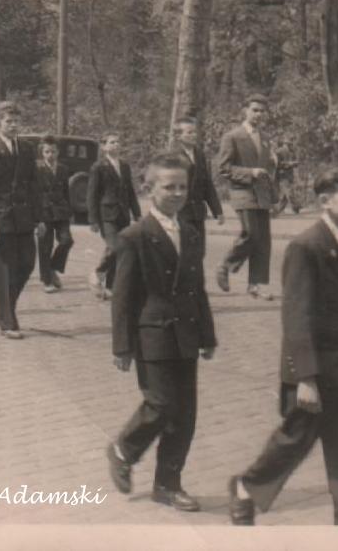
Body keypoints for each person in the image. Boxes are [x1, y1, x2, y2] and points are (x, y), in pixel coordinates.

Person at [228, 164, 338, 526]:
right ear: (326, 201)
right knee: (293, 441)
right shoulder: (305, 247)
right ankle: (247, 488)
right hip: (316, 373)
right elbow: (297, 318)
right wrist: (306, 379)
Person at [107, 153, 216, 513]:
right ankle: (124, 448)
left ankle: (168, 484)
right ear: (148, 189)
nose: (177, 194)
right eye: (169, 187)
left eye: (183, 187)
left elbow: (196, 288)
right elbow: (123, 297)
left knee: (185, 414)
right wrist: (122, 346)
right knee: (161, 404)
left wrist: (207, 335)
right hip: (152, 334)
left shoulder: (191, 232)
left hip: (185, 333)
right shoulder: (134, 236)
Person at [0, 101, 44, 340]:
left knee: (26, 265)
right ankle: (7, 320)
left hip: (24, 219)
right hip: (0, 220)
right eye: (8, 121)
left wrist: (39, 217)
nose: (13, 126)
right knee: (4, 271)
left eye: (16, 121)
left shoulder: (26, 149)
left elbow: (34, 185)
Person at [216, 94, 278, 300]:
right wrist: (250, 173)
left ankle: (255, 285)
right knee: (251, 234)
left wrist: (275, 166)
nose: (259, 115)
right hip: (243, 192)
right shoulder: (232, 136)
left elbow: (267, 169)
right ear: (245, 111)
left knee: (263, 241)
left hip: (263, 195)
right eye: (255, 110)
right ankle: (226, 265)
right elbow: (223, 168)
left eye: (262, 111)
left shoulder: (266, 138)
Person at [87, 132, 142, 299]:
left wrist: (137, 213)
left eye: (118, 142)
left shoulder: (124, 166)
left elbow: (130, 191)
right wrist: (93, 220)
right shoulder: (98, 167)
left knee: (122, 248)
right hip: (107, 215)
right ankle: (98, 272)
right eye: (111, 142)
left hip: (123, 214)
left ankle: (111, 287)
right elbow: (92, 194)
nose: (116, 145)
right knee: (115, 246)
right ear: (104, 147)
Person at [171, 117, 224, 253]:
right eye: (189, 132)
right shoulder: (173, 156)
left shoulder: (199, 154)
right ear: (178, 136)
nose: (193, 135)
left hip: (198, 212)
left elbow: (207, 184)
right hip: (181, 211)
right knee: (187, 252)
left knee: (200, 252)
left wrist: (217, 210)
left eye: (194, 132)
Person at [35, 135, 74, 293]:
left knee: (67, 241)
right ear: (42, 153)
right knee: (45, 246)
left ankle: (53, 268)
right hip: (43, 213)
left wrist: (70, 211)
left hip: (61, 211)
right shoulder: (36, 169)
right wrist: (36, 218)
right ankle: (47, 280)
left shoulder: (64, 169)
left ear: (58, 152)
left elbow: (66, 191)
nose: (50, 155)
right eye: (47, 152)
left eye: (53, 151)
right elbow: (33, 194)